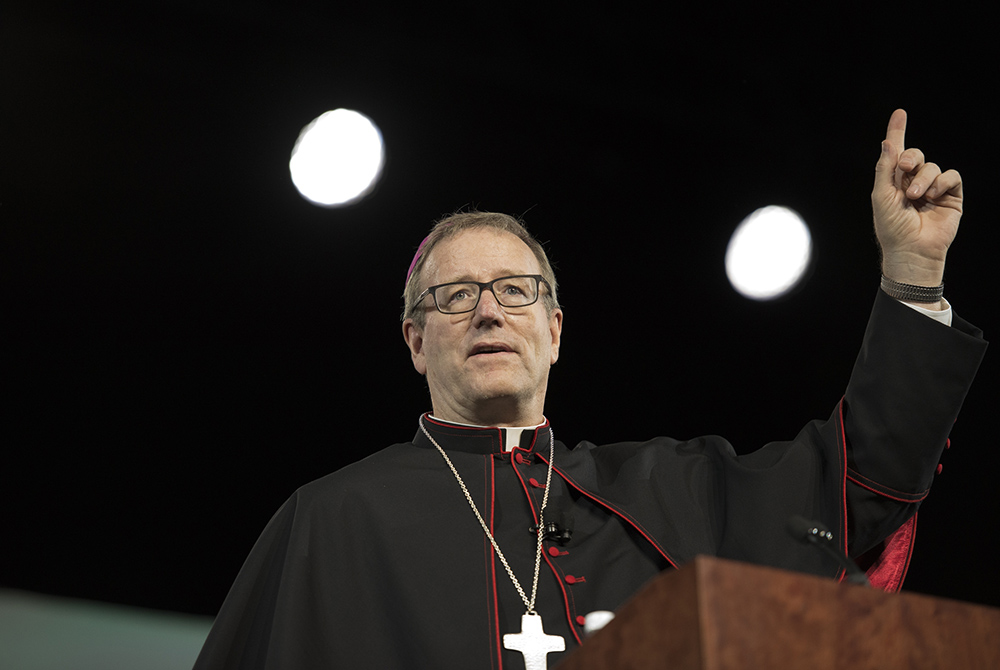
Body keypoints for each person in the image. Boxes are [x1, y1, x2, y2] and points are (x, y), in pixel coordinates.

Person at [193, 110, 986, 670]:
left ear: (557, 330)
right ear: (415, 341)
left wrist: (913, 278)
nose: (487, 311)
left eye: (514, 289)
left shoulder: (675, 492)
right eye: (455, 295)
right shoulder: (329, 520)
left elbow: (862, 480)